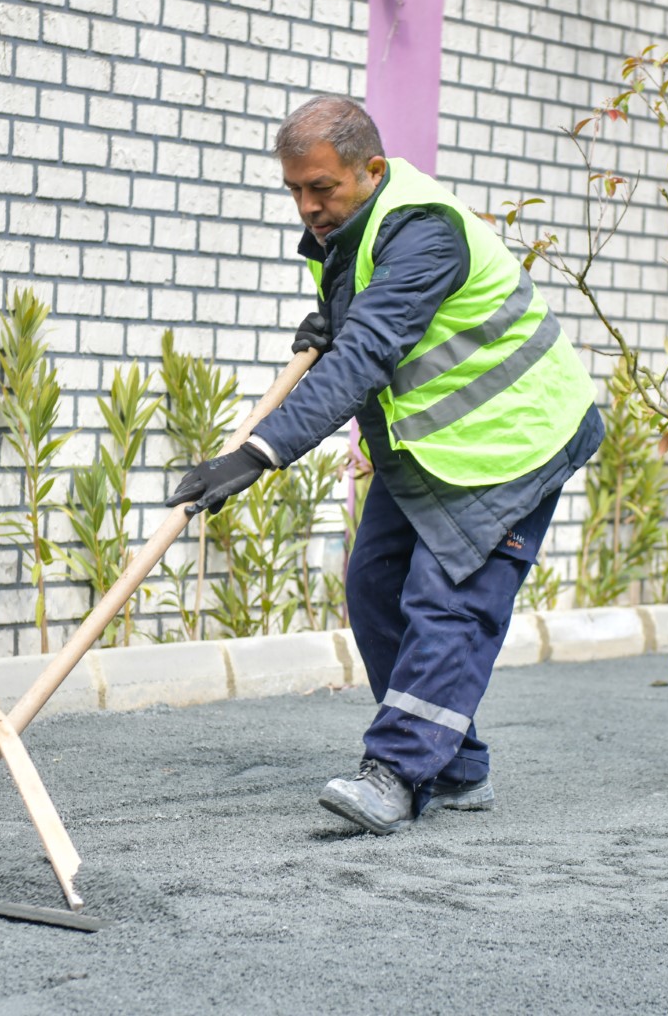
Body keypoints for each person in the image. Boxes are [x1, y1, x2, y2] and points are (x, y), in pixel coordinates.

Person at [165, 96, 604, 835]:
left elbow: (367, 353)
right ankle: (456, 770)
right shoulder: (359, 226)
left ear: (371, 170)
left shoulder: (426, 230)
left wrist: (258, 451)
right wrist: (335, 309)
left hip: (513, 442)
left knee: (449, 601)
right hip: (436, 450)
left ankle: (397, 772)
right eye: (295, 191)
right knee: (374, 585)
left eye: (321, 189)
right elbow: (362, 319)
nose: (307, 206)